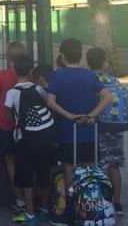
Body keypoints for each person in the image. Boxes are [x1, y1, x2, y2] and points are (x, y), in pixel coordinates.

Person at [46, 39, 111, 181]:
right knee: (88, 169)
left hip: (67, 130)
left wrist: (69, 116)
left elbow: (50, 102)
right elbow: (107, 97)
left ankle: (71, 199)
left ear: (62, 56)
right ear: (81, 56)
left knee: (69, 167)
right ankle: (87, 199)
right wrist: (90, 116)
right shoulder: (89, 75)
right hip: (88, 130)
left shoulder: (57, 75)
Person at [5, 53, 56, 225]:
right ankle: (45, 209)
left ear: (13, 69)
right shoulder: (38, 89)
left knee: (26, 176)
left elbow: (8, 116)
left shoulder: (11, 93)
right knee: (43, 173)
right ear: (31, 71)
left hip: (23, 139)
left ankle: (29, 213)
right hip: (44, 137)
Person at [86, 47, 128, 214]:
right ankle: (117, 203)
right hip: (116, 127)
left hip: (97, 126)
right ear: (104, 62)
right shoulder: (114, 80)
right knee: (114, 166)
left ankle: (102, 201)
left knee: (99, 164)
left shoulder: (89, 80)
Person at [0, 41, 26, 212]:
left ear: (8, 57)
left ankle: (19, 198)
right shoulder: (28, 75)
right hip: (24, 124)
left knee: (10, 161)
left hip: (5, 124)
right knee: (24, 161)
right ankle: (29, 196)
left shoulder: (2, 75)